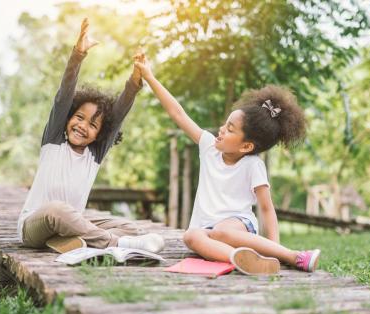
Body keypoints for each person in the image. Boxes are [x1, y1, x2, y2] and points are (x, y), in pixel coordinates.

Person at [134, 55, 320, 275]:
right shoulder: (209, 147)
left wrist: (275, 249)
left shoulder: (252, 165)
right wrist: (149, 77)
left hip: (237, 226)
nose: (222, 129)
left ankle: (293, 256)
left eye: (230, 129)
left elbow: (267, 209)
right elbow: (177, 113)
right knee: (190, 236)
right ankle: (239, 259)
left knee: (222, 231)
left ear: (246, 146)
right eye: (225, 124)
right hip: (207, 232)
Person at [17, 19, 164, 254]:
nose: (83, 126)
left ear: (100, 134)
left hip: (68, 224)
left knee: (129, 227)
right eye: (78, 117)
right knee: (58, 210)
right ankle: (116, 245)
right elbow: (63, 95)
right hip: (34, 225)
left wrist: (135, 80)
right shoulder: (55, 139)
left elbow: (117, 116)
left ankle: (69, 241)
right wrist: (78, 55)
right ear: (67, 119)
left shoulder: (94, 154)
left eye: (93, 124)